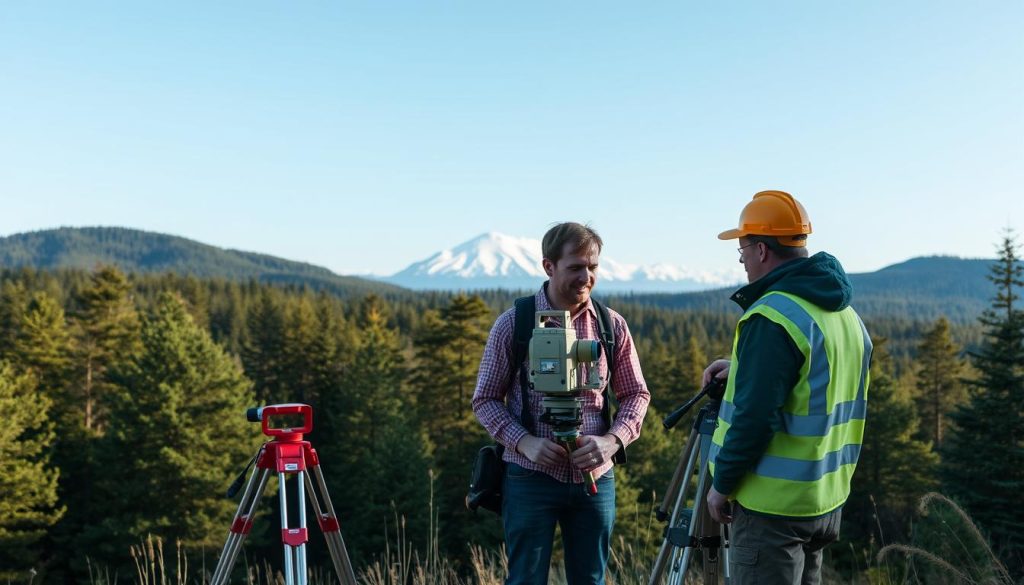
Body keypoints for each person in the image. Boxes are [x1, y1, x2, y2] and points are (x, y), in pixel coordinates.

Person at [704, 191, 873, 585]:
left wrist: (721, 485)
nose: (742, 259)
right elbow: (817, 379)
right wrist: (747, 369)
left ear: (762, 249)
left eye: (743, 249)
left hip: (772, 509)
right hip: (824, 500)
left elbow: (754, 419)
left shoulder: (773, 316)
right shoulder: (844, 313)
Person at [472, 222, 650, 585]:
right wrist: (525, 442)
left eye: (593, 267)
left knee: (590, 579)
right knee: (525, 579)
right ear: (548, 266)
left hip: (595, 478)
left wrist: (611, 442)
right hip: (528, 475)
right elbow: (486, 399)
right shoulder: (514, 325)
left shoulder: (611, 326)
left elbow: (636, 395)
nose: (586, 277)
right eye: (575, 267)